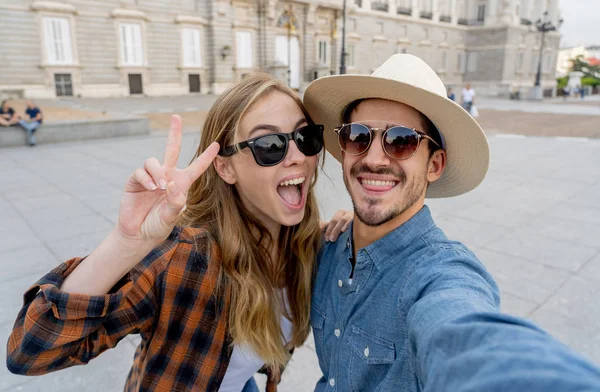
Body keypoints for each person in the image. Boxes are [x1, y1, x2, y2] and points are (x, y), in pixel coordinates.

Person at [7, 73, 350, 391]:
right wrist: (127, 243)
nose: (296, 157)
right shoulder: (186, 258)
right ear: (225, 167)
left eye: (305, 137)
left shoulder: (307, 247)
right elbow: (29, 350)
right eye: (270, 145)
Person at [303, 54, 600, 391]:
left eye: (401, 140)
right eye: (358, 136)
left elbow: (463, 332)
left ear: (435, 165)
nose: (372, 158)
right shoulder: (329, 250)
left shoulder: (440, 275)